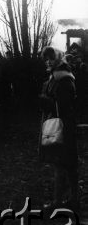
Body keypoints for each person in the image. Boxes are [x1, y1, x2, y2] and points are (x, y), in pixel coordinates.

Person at [39, 46, 79, 211]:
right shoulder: (60, 77)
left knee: (61, 163)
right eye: (46, 59)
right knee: (67, 164)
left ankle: (59, 201)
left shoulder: (62, 79)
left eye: (51, 58)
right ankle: (72, 200)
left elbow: (63, 106)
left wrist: (44, 100)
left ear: (58, 60)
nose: (48, 61)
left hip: (63, 126)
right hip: (65, 125)